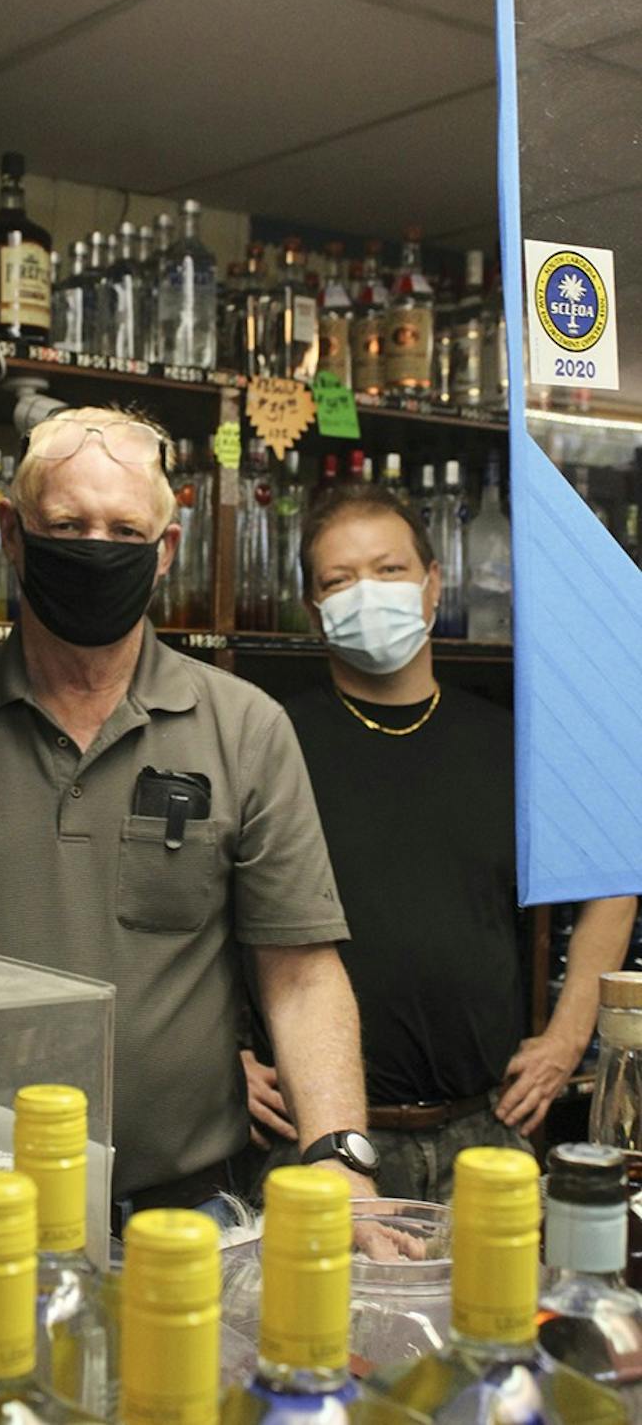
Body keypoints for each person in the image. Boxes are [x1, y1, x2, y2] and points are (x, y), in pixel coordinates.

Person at [0, 407, 380, 1230]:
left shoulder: (243, 727)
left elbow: (304, 974)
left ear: (165, 551)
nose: (95, 549)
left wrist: (339, 1157)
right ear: (11, 532)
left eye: (124, 529)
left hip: (183, 1215)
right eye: (67, 524)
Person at [241, 483, 637, 1205]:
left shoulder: (511, 744)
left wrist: (569, 1034)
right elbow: (198, 907)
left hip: (487, 1135)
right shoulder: (269, 742)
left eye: (389, 571)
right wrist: (221, 1055)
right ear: (314, 611)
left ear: (432, 585)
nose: (368, 593)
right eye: (340, 580)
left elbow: (614, 871)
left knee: (496, 1320)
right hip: (320, 1143)